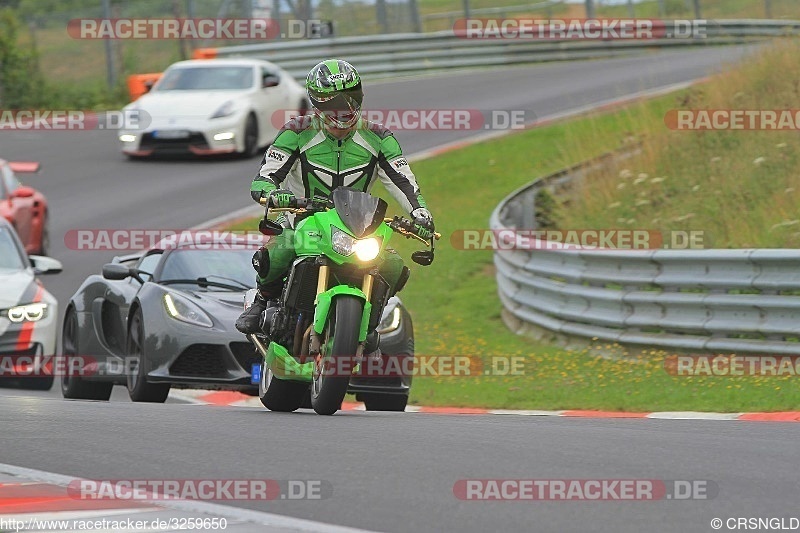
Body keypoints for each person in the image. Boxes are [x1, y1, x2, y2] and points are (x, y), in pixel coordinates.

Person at [235, 59, 435, 344]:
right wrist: (271, 193)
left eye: (351, 97)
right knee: (278, 252)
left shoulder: (379, 137)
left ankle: (367, 323)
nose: (345, 108)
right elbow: (265, 177)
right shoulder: (297, 131)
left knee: (392, 265)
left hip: (357, 226)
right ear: (317, 103)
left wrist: (420, 212)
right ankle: (262, 301)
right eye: (334, 102)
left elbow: (404, 181)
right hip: (300, 218)